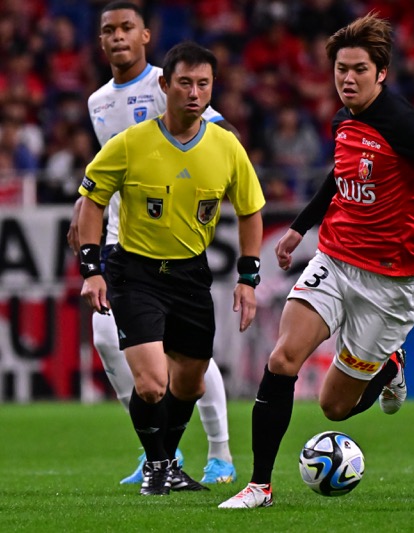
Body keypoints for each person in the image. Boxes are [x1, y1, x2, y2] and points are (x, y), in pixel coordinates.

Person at [218, 13, 414, 509]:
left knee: (335, 407)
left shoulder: (405, 125)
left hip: (390, 284)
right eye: (340, 70)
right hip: (335, 261)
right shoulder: (342, 120)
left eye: (358, 69)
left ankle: (390, 366)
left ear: (381, 73)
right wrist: (298, 228)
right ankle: (260, 486)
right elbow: (338, 179)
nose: (348, 79)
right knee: (282, 359)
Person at [77, 40, 265, 496]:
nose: (194, 92)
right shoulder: (131, 143)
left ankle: (165, 463)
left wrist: (247, 278)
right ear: (165, 85)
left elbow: (250, 210)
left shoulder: (226, 146)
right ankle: (159, 465)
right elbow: (92, 199)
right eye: (184, 82)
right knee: (151, 384)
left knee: (191, 383)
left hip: (191, 275)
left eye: (203, 83)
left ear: (213, 87)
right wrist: (91, 267)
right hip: (134, 272)